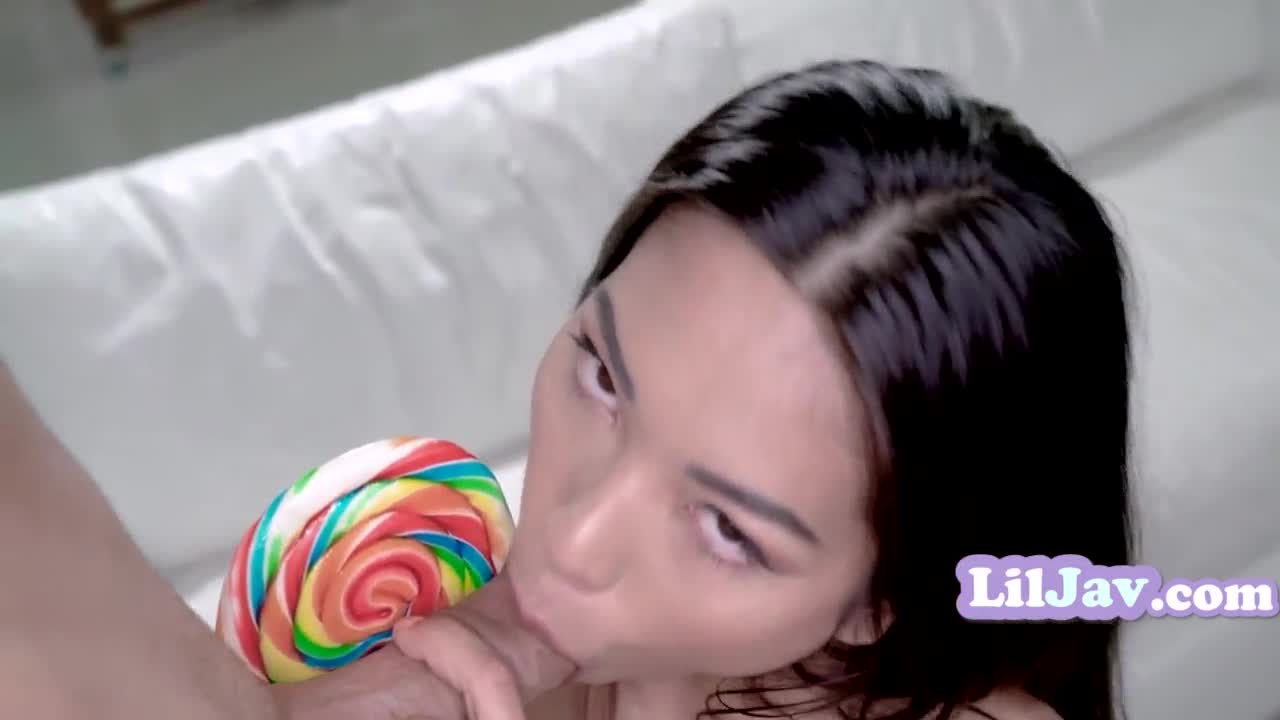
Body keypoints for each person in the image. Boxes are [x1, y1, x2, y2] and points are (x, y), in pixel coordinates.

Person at [0, 59, 1132, 720]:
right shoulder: (403, 625)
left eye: (727, 529)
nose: (574, 538)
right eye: (602, 376)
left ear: (876, 600)